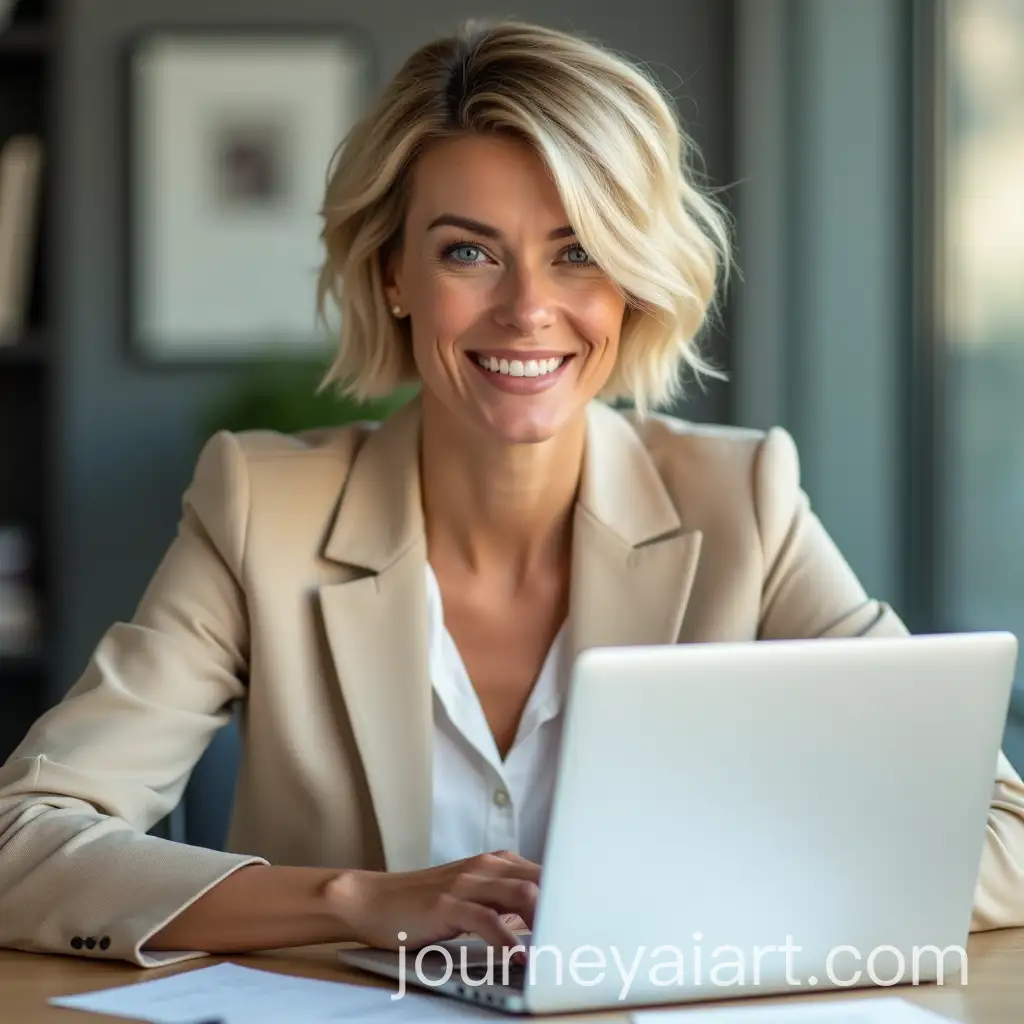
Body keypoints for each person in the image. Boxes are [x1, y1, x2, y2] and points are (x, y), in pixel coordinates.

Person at [2, 18, 1023, 969]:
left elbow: (1003, 834)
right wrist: (359, 899)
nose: (529, 308)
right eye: (467, 252)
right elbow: (21, 842)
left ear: (632, 280)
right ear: (393, 273)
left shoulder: (740, 503)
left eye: (577, 251)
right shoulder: (261, 507)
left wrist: (660, 912)